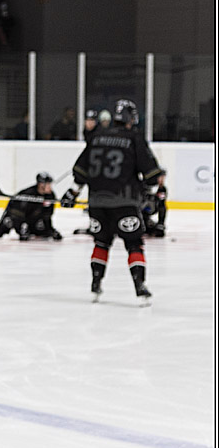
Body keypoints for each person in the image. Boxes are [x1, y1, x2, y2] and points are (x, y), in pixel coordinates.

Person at [63, 99, 163, 304]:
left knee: (101, 242)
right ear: (131, 118)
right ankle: (139, 286)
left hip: (97, 202)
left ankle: (95, 284)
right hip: (124, 202)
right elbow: (151, 173)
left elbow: (81, 170)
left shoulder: (97, 136)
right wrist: (148, 191)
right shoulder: (134, 138)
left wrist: (72, 193)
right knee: (134, 243)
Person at [0, 172, 62, 241]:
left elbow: (47, 215)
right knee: (5, 225)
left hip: (32, 220)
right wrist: (21, 229)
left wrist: (50, 230)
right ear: (41, 184)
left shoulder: (50, 196)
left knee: (43, 231)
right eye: (48, 184)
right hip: (16, 218)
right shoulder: (27, 194)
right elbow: (15, 213)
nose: (50, 186)